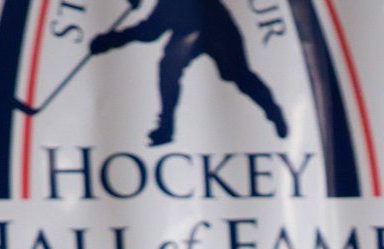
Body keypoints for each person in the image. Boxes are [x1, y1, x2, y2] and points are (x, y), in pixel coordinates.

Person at [91, 0, 289, 149]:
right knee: (169, 68)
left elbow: (150, 31)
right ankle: (166, 127)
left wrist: (108, 41)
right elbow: (150, 30)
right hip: (188, 29)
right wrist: (108, 40)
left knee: (237, 73)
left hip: (215, 26)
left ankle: (273, 111)